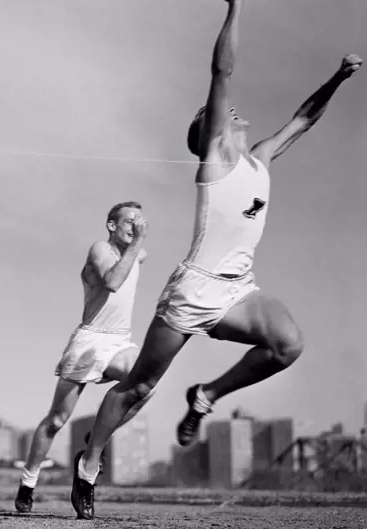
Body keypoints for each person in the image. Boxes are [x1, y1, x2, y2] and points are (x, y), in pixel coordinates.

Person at [70, 0, 362, 519]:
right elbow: (222, 70)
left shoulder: (261, 158)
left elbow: (303, 119)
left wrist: (338, 78)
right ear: (210, 129)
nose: (232, 107)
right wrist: (236, 8)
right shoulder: (216, 158)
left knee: (288, 344)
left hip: (236, 289)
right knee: (137, 387)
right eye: (220, 111)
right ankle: (89, 463)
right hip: (193, 288)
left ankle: (205, 394)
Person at [14, 202, 149, 513]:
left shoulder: (136, 253)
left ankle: (92, 446)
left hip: (119, 341)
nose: (135, 226)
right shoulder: (100, 249)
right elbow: (112, 282)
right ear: (111, 225)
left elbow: (140, 256)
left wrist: (138, 246)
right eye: (128, 221)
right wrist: (138, 243)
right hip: (89, 340)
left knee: (145, 385)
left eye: (139, 221)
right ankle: (28, 481)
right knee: (57, 420)